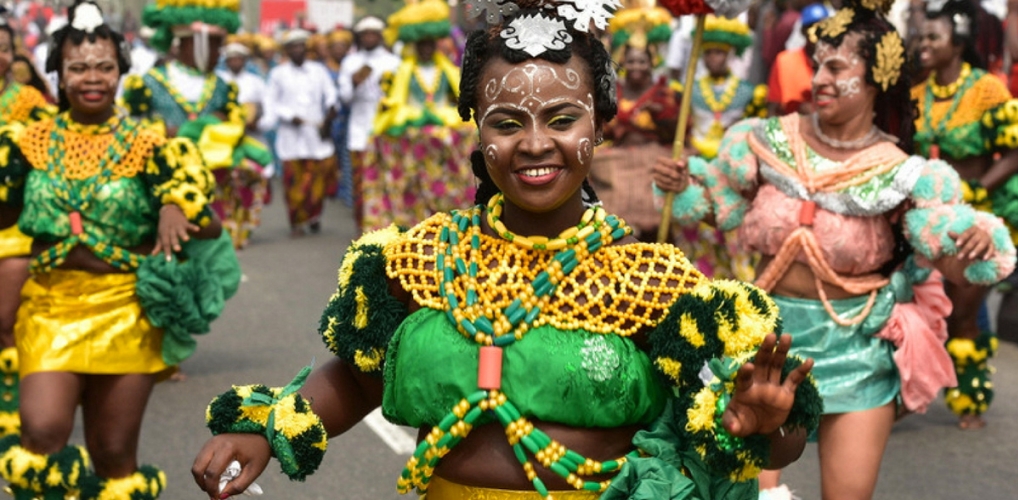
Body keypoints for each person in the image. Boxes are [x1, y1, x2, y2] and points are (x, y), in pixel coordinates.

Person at [192, 3, 824, 500]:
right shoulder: (423, 258)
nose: (534, 144)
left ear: (599, 125)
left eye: (560, 118)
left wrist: (770, 424)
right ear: (477, 127)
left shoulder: (653, 281)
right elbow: (358, 379)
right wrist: (269, 427)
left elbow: (759, 433)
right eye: (507, 122)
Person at [654, 0, 1018, 498]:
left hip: (856, 352)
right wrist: (683, 184)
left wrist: (974, 247)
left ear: (875, 78)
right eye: (816, 63)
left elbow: (946, 255)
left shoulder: (903, 174)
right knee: (746, 495)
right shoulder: (766, 142)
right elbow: (720, 205)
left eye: (836, 66)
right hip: (764, 347)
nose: (819, 77)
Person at [0, 2, 230, 498]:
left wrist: (176, 206)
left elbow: (210, 226)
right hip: (49, 308)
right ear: (58, 74)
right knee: (39, 432)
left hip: (126, 312)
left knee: (112, 454)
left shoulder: (150, 145)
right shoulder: (26, 143)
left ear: (121, 71)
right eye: (78, 67)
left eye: (104, 66)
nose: (92, 77)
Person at [912, 0, 1018, 430]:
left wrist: (976, 190)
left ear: (956, 44)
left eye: (932, 38)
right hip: (927, 219)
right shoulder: (917, 94)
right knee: (917, 304)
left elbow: (1014, 153)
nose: (923, 45)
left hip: (978, 217)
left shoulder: (988, 89)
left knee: (962, 314)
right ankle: (910, 388)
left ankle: (969, 399)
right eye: (921, 37)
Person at [124, 0, 271, 251]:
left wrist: (226, 124)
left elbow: (238, 125)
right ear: (188, 42)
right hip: (164, 187)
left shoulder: (224, 87)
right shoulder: (149, 82)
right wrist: (167, 132)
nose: (218, 53)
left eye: (219, 45)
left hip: (213, 190)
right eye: (212, 44)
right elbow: (130, 128)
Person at [360, 0, 476, 232]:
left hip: (443, 132)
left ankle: (454, 212)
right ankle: (409, 218)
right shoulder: (403, 72)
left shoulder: (448, 71)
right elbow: (395, 103)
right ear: (415, 45)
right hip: (413, 132)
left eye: (429, 45)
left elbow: (459, 101)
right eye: (421, 45)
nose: (425, 49)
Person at [669, 15, 766, 282]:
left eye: (719, 53)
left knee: (734, 226)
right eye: (709, 53)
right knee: (695, 225)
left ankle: (742, 279)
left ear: (730, 54)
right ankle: (699, 277)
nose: (714, 58)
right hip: (698, 163)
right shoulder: (690, 90)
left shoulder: (748, 92)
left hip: (732, 168)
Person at [0, 17, 52, 438]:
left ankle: (12, 410)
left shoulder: (30, 102)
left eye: (3, 48)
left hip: (13, 233)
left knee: (6, 323)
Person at [589, 0, 676, 242]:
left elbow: (677, 130)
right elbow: (602, 127)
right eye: (632, 61)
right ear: (624, 63)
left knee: (655, 187)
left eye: (642, 61)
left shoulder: (663, 92)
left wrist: (658, 116)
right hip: (618, 155)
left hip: (654, 155)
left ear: (651, 64)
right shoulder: (613, 91)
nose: (637, 66)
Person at [259, 29, 338, 237]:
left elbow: (331, 93)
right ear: (286, 51)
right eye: (293, 47)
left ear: (306, 48)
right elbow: (271, 102)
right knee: (294, 182)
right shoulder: (278, 73)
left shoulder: (318, 70)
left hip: (315, 135)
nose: (297, 50)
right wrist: (288, 115)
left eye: (301, 46)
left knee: (317, 182)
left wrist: (330, 109)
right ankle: (296, 222)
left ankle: (314, 217)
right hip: (290, 138)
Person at [337, 16, 399, 230]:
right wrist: (354, 83)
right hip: (359, 132)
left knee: (386, 182)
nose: (369, 37)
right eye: (365, 34)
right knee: (360, 184)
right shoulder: (350, 62)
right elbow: (343, 98)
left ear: (380, 36)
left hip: (386, 131)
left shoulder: (393, 61)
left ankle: (386, 227)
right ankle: (363, 227)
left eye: (373, 33)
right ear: (360, 37)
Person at [216, 42, 272, 249]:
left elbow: (268, 110)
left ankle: (248, 226)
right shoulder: (219, 82)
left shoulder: (256, 82)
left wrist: (257, 123)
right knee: (229, 187)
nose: (235, 62)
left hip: (253, 142)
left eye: (239, 58)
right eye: (232, 58)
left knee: (253, 185)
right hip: (226, 144)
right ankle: (230, 228)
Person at [766, 3, 829, 116]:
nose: (817, 33)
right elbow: (773, 106)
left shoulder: (838, 63)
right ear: (802, 31)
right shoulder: (784, 61)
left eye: (822, 28)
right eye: (811, 27)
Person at [325, 28, 355, 206]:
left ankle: (347, 192)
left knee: (347, 157)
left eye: (342, 46)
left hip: (348, 118)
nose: (339, 50)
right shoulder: (323, 69)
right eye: (335, 46)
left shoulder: (351, 65)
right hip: (331, 120)